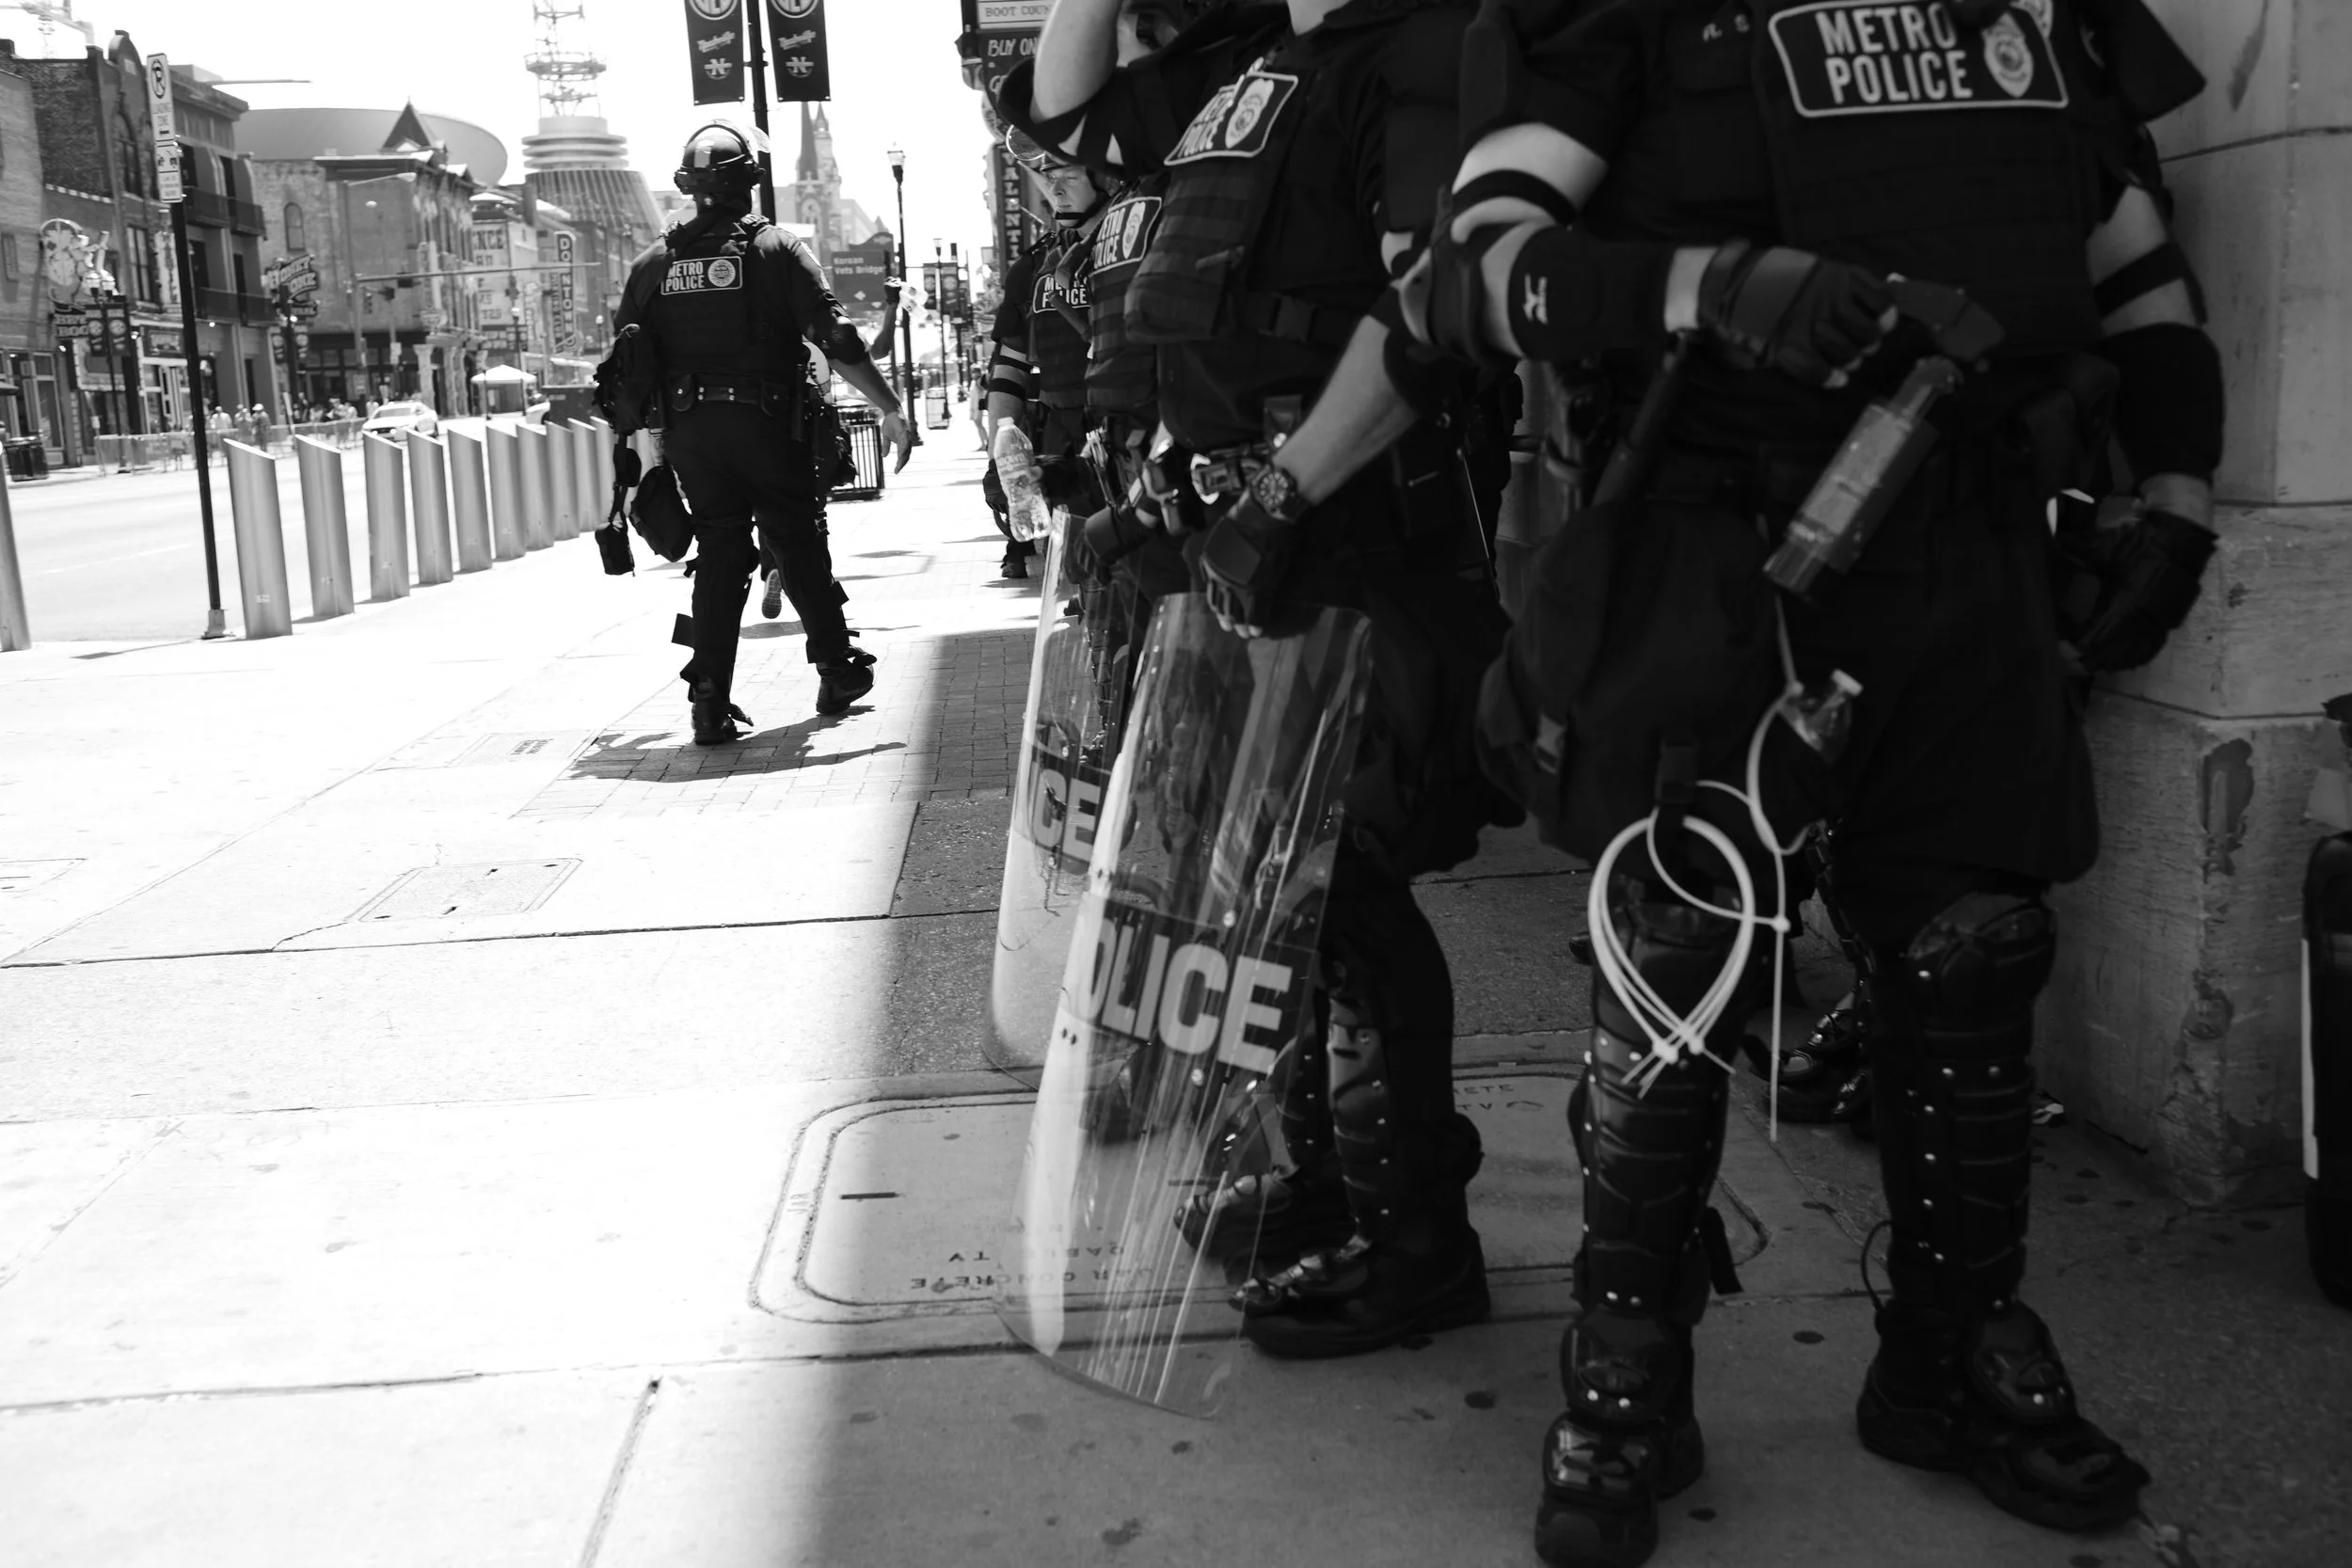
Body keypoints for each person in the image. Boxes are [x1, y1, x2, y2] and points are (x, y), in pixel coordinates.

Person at [1401, 0, 2222, 1560]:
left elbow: (2140, 279)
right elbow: (1475, 270)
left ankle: (1952, 1352)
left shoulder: (2042, 17)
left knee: (1974, 955)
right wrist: (1710, 286)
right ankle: (1630, 1355)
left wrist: (2177, 492)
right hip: (1720, 550)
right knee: (1675, 960)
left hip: (1968, 553)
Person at [1003, 0, 1516, 1357]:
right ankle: (1329, 1181)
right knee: (1274, 886)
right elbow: (1063, 114)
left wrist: (1284, 497)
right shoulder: (1255, 67)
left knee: (1343, 885)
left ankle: (1417, 1241)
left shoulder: (1413, 49)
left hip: (1350, 524)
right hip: (1242, 533)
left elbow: (1429, 303)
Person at [612, 121, 912, 744]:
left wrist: (647, 445)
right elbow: (837, 337)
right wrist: (888, 406)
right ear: (751, 180)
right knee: (794, 537)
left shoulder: (653, 264)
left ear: (689, 186)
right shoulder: (776, 250)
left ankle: (708, 699)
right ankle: (836, 667)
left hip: (692, 434)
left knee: (721, 551)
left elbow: (627, 362)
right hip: (769, 424)